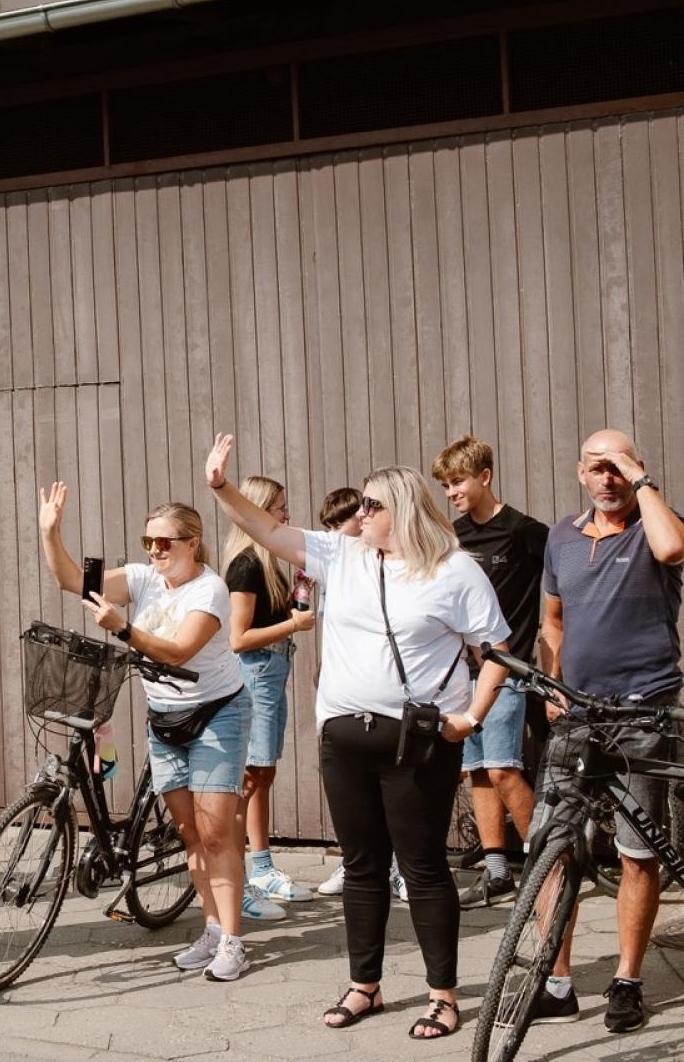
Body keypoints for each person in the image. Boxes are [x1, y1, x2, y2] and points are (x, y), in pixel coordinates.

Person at [206, 433, 511, 1039]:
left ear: (399, 509)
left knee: (423, 868)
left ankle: (443, 996)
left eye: (370, 505)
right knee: (362, 865)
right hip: (344, 737)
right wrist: (221, 487)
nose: (358, 514)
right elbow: (269, 532)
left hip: (416, 743)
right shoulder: (341, 556)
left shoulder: (454, 570)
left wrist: (472, 716)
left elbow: (497, 650)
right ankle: (364, 985)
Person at [41, 482, 256, 981]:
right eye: (149, 542)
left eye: (165, 542)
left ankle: (232, 940)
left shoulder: (211, 589)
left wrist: (122, 629)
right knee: (189, 834)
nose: (155, 551)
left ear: (192, 544)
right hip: (164, 717)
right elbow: (72, 580)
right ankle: (209, 929)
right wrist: (51, 533)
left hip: (216, 714)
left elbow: (179, 651)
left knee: (216, 833)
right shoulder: (143, 578)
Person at [532, 429, 684, 1032]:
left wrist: (642, 479)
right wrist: (553, 683)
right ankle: (558, 981)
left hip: (643, 712)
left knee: (635, 850)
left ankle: (627, 980)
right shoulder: (562, 537)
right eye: (597, 467)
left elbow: (674, 551)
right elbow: (552, 620)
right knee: (554, 848)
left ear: (637, 470)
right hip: (576, 713)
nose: (608, 477)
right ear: (579, 473)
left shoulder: (657, 525)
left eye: (619, 466)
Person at [431, 436, 547, 909]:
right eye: (444, 485)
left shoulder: (524, 531)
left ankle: (545, 865)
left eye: (458, 481)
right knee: (476, 771)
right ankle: (498, 870)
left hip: (507, 669)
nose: (451, 492)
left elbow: (560, 597)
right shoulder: (454, 538)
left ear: (485, 476)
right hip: (462, 675)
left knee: (502, 769)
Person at [220, 476, 315, 909]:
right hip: (256, 673)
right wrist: (293, 625)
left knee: (262, 774)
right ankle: (242, 877)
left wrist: (297, 603)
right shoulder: (246, 564)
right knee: (250, 778)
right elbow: (238, 638)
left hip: (271, 671)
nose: (286, 514)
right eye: (279, 507)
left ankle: (259, 867)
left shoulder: (266, 563)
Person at [314, 489, 409, 904]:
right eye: (330, 527)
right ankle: (364, 863)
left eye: (344, 524)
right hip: (344, 699)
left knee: (397, 795)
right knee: (355, 798)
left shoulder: (387, 564)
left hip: (394, 705)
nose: (337, 533)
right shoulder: (336, 564)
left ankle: (402, 867)